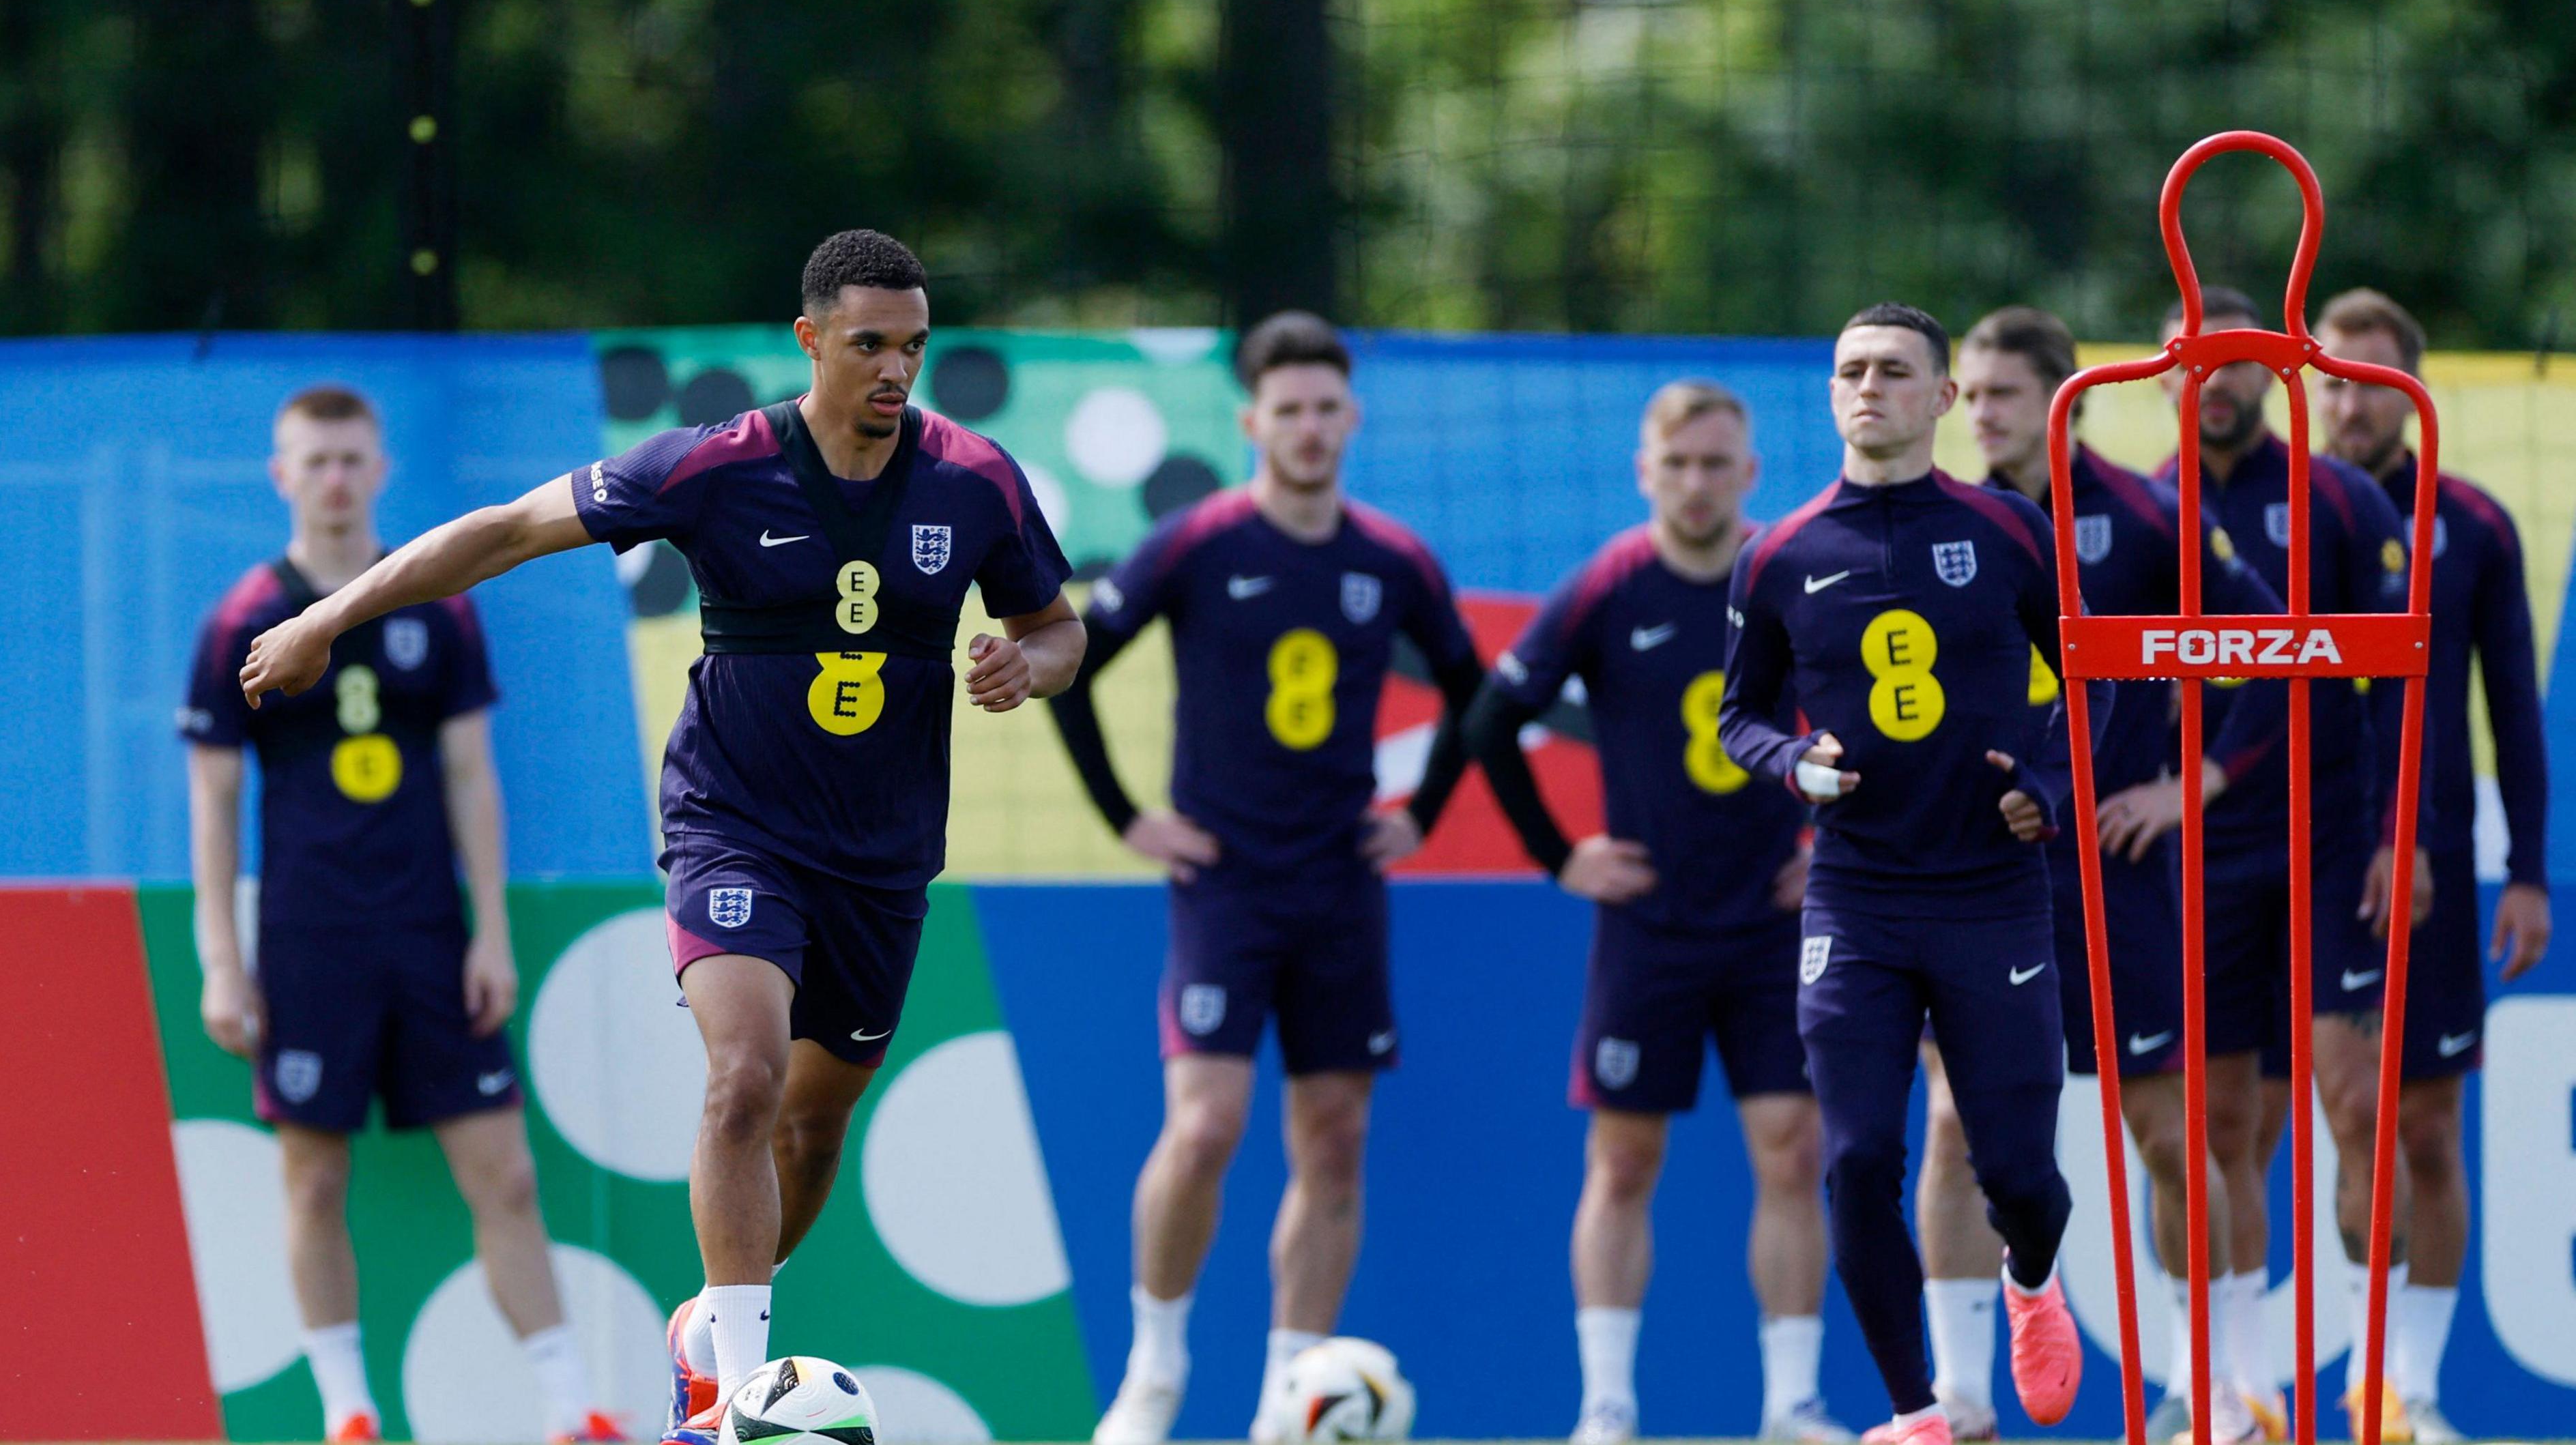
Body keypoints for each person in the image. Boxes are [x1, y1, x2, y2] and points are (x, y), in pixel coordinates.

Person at [234, 232, 1084, 1445]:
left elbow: (1060, 627)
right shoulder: (719, 464)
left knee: (813, 1122)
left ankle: (711, 1328)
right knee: (743, 1075)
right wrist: (333, 613)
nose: (896, 371)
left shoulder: (975, 480)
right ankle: (736, 1397)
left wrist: (1028, 663)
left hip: (883, 856)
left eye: (913, 346)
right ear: (810, 341)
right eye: (869, 347)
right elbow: (509, 531)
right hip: (731, 828)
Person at [1050, 312, 1483, 1445]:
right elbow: (1075, 660)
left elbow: (1475, 688)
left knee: (1335, 1136)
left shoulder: (1390, 557)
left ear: (1351, 418)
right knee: (1204, 1127)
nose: (1307, 427)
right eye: (1285, 409)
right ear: (1252, 421)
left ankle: (1294, 1401)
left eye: (1326, 407)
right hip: (1226, 886)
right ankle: (1152, 1371)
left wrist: (1423, 811)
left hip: (1341, 885)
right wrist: (1126, 814)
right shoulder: (1198, 543)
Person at [183, 385, 622, 1445]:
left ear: (380, 472)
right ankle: (349, 1413)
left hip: (429, 934)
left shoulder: (440, 605)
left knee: (506, 1175)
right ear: (281, 475)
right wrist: (222, 960)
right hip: (307, 938)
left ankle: (571, 1412)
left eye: (352, 459)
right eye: (314, 460)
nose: (335, 478)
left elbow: (472, 775)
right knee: (313, 1174)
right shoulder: (243, 619)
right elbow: (214, 793)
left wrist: (491, 934)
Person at [1883, 308, 2287, 1445]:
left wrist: (2191, 780)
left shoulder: (2149, 516)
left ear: (2072, 398)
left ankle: (2201, 1390)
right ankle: (1955, 1399)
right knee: (1958, 1126)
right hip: (1971, 875)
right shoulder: (1924, 525)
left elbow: (2268, 640)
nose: (1990, 411)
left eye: (2013, 391)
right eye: (1977, 391)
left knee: (2168, 1129)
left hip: (2113, 879)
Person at [1719, 304, 2101, 1445]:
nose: (1867, 387)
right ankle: (1917, 1413)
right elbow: (1740, 716)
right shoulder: (1780, 552)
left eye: (1893, 371)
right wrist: (1794, 764)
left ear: (1943, 400)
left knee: (2022, 1173)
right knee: (1857, 1158)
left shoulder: (2013, 531)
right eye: (1849, 370)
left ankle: (2032, 1279)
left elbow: (2099, 683)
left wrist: (2051, 782)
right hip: (1859, 898)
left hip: (1992, 892)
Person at [1464, 379, 1847, 1445]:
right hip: (1651, 926)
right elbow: (1494, 721)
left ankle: (1791, 1404)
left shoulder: (1794, 572)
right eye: (1676, 464)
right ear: (1644, 472)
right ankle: (1608, 1408)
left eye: (1715, 464)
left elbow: (1885, 718)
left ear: (1750, 475)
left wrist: (1831, 849)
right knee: (1625, 1161)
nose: (1695, 482)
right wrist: (1560, 857)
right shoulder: (1609, 585)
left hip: (1773, 922)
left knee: (1790, 1147)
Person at [2153, 286, 2427, 1442]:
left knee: (2359, 1108)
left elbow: (2405, 684)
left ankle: (2381, 1382)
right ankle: (2233, 1389)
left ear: (2277, 372)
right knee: (2219, 1130)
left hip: (2329, 839)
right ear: (2163, 371)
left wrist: (2397, 834)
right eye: (2193, 360)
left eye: (2237, 361)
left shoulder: (2343, 498)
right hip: (2197, 857)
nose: (2215, 381)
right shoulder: (2132, 509)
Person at [2315, 288, 2549, 1445]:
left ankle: (2405, 1387)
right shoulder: (2265, 514)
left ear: (2413, 390)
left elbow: (2514, 703)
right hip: (2300, 862)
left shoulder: (2477, 522)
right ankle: (2245, 1378)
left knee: (2424, 1129)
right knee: (2332, 1111)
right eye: (2333, 379)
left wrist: (2531, 871)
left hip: (2442, 867)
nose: (2350, 400)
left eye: (2372, 380)